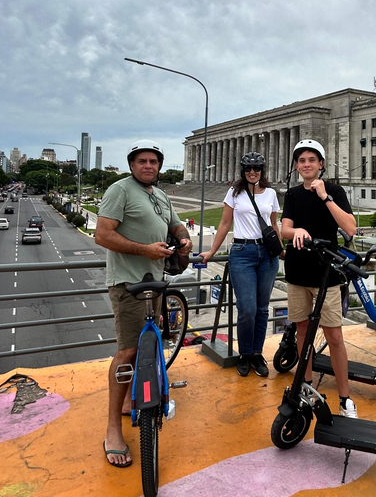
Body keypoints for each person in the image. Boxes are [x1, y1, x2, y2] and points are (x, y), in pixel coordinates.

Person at [95, 140, 192, 467]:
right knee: (127, 351)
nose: (148, 166)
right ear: (132, 165)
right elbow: (102, 235)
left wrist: (183, 238)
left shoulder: (160, 195)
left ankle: (128, 404)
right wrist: (145, 250)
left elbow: (175, 224)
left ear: (159, 165)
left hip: (155, 282)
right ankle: (112, 429)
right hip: (128, 282)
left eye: (153, 161)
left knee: (147, 345)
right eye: (142, 161)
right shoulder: (120, 190)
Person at [280, 140, 358, 418]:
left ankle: (345, 398)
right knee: (302, 331)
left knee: (334, 335)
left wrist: (325, 197)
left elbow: (350, 227)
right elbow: (284, 230)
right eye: (302, 160)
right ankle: (307, 384)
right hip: (297, 271)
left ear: (321, 164)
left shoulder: (334, 191)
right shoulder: (292, 194)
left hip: (326, 274)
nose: (306, 165)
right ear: (297, 165)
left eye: (312, 160)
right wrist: (297, 231)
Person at [199, 152, 282, 377]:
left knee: (262, 309)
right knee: (247, 309)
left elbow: (274, 224)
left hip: (267, 255)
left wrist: (281, 250)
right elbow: (225, 223)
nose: (252, 172)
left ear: (262, 171)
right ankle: (245, 353)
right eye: (248, 169)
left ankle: (257, 353)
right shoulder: (234, 193)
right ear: (243, 171)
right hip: (242, 253)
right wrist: (212, 251)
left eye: (256, 169)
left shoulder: (271, 193)